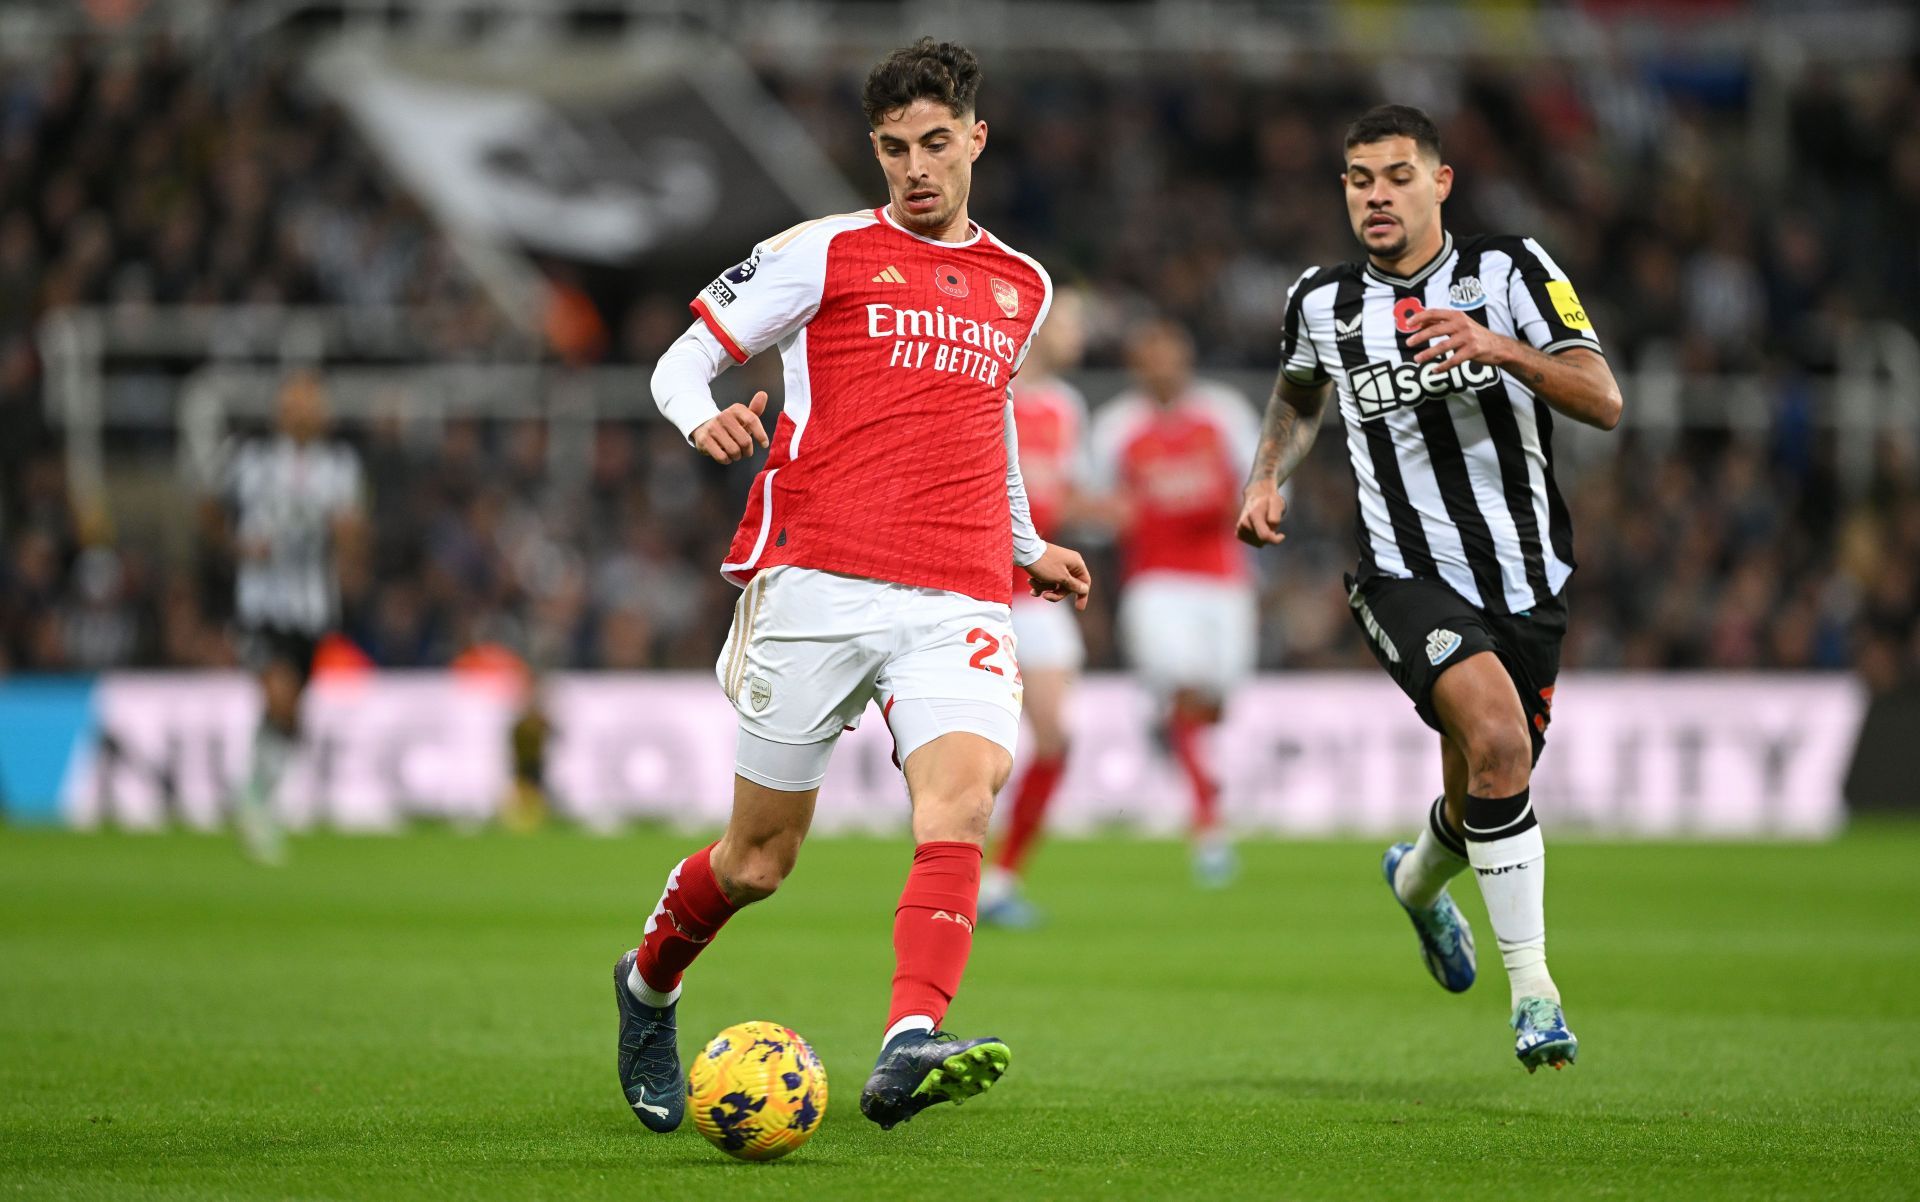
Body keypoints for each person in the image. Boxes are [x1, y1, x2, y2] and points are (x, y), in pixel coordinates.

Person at [622, 38, 1091, 1134]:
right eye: (894, 149)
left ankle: (908, 1039)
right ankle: (646, 986)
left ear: (976, 138)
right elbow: (678, 364)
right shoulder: (820, 250)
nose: (916, 169)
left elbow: (990, 420)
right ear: (873, 149)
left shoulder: (1022, 283)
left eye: (936, 144)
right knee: (759, 858)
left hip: (959, 589)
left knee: (961, 800)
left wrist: (1023, 542)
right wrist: (706, 417)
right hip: (818, 577)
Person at [1235, 104, 1622, 1071]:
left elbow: (1603, 398)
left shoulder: (1510, 272)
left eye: (1398, 176)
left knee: (1493, 778)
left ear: (1439, 183)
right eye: (1360, 177)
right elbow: (1298, 389)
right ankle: (1535, 997)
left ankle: (1414, 882)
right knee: (1496, 740)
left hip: (1528, 579)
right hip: (1402, 574)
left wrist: (1502, 351)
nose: (1377, 195)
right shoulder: (1320, 300)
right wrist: (1265, 475)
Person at [1089, 318, 1261, 886]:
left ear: (1185, 359)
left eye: (1169, 355)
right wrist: (1113, 514)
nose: (1161, 366)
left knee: (1216, 700)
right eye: (1150, 357)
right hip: (1156, 580)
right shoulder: (1117, 428)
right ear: (1138, 366)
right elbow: (1100, 502)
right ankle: (1209, 827)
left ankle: (1179, 745)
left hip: (1222, 578)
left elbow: (1260, 479)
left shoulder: (1224, 413)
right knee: (1184, 688)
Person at [215, 372, 365, 864]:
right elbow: (206, 510)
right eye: (295, 405)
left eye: (311, 405)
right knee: (278, 692)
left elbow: (352, 528)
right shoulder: (251, 460)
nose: (304, 414)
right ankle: (255, 806)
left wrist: (347, 547)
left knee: (290, 711)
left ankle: (256, 796)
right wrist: (237, 545)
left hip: (313, 606)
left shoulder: (341, 467)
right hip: (260, 603)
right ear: (281, 413)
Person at [979, 289, 1092, 928]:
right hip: (980, 589)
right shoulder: (990, 384)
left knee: (1054, 738)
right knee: (981, 753)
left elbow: (1057, 496)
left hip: (1038, 596)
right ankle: (960, 874)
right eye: (1070, 321)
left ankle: (1002, 878)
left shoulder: (1065, 408)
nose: (1077, 334)